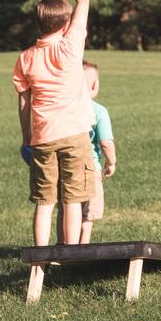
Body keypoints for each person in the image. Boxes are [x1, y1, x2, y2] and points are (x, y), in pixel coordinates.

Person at [13, 0, 95, 246]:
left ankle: (40, 257)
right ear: (65, 23)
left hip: (42, 138)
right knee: (72, 200)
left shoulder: (25, 58)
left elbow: (24, 104)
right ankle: (70, 254)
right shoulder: (71, 46)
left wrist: (26, 139)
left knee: (44, 202)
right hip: (74, 134)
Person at [55, 60, 117, 244]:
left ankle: (62, 244)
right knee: (88, 213)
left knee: (66, 208)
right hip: (91, 168)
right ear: (94, 85)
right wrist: (111, 162)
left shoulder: (63, 108)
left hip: (65, 165)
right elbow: (106, 142)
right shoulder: (99, 111)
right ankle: (83, 246)